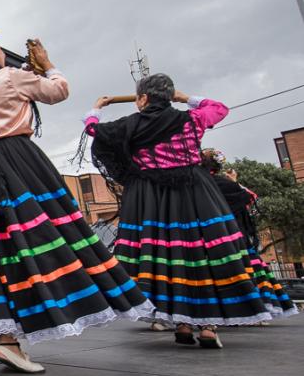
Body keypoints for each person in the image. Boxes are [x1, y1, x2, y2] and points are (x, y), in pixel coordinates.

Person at [0, 27, 152, 374]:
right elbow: (59, 92)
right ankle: (10, 338)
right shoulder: (9, 78)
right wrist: (48, 64)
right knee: (41, 241)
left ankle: (7, 338)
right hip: (16, 163)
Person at [84, 74, 274, 349]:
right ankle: (208, 327)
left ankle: (183, 323)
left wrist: (97, 108)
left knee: (167, 255)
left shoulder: (131, 125)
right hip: (194, 192)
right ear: (169, 97)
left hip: (152, 199)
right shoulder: (190, 120)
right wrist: (185, 98)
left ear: (144, 99)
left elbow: (93, 130)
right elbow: (219, 108)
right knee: (201, 252)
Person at [200, 149, 297, 320]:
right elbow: (250, 197)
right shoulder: (227, 185)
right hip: (236, 236)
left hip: (207, 237)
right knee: (244, 271)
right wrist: (235, 181)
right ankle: (253, 308)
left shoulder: (200, 184)